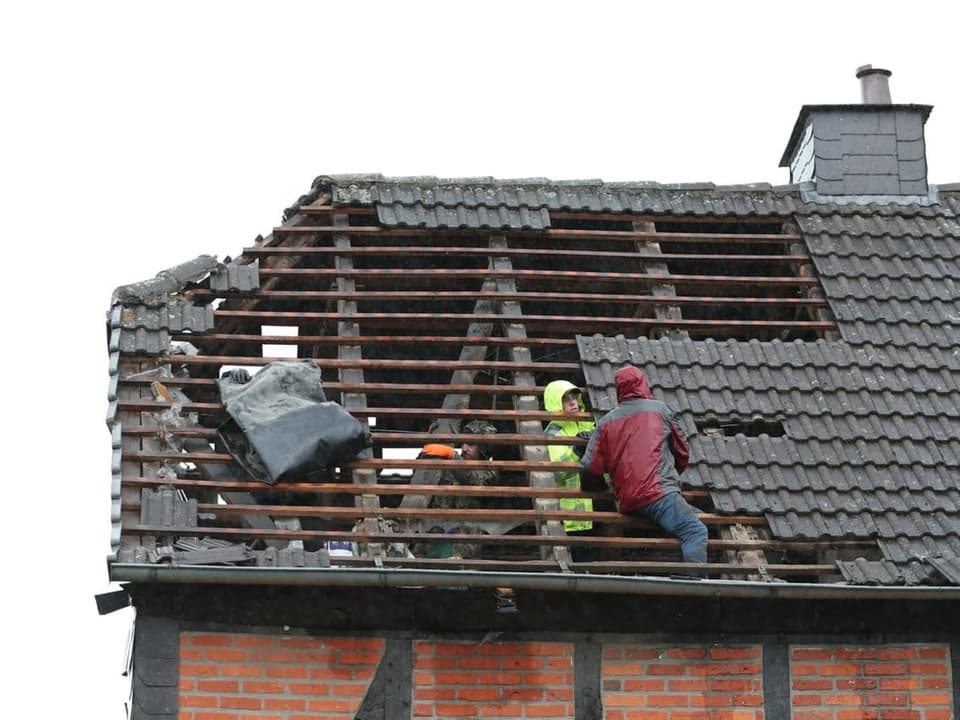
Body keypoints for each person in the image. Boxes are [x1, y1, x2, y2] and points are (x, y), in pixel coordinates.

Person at [578, 365, 708, 566]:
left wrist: (600, 488)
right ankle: (696, 589)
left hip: (628, 501)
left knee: (688, 517)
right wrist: (669, 483)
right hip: (659, 495)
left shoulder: (605, 422)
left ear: (618, 389)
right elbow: (682, 452)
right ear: (643, 384)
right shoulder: (661, 411)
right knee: (695, 531)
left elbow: (588, 468)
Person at [543, 380, 597, 561]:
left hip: (595, 510)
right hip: (571, 518)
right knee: (579, 567)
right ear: (555, 403)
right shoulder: (553, 433)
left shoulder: (589, 424)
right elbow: (555, 473)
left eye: (574, 397)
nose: (573, 402)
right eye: (566, 399)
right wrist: (576, 451)